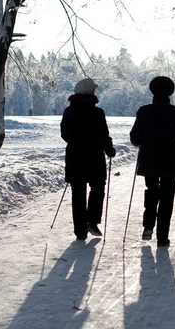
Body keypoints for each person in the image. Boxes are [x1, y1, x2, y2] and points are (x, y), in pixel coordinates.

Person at [130, 76, 175, 247]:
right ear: (170, 92)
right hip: (170, 161)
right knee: (167, 197)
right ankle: (163, 237)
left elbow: (134, 138)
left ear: (153, 92)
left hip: (149, 159)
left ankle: (148, 226)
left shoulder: (143, 111)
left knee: (151, 191)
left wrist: (144, 140)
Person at [60, 78, 116, 241]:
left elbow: (65, 134)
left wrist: (77, 142)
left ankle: (80, 230)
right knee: (98, 187)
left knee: (78, 192)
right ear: (90, 93)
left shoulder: (68, 111)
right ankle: (91, 220)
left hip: (75, 156)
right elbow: (104, 135)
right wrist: (109, 149)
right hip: (94, 156)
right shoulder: (98, 112)